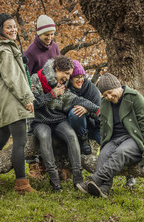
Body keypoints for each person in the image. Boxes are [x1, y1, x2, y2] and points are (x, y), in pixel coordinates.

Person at [76, 73, 144, 198]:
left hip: (133, 140)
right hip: (114, 139)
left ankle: (94, 180)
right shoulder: (105, 103)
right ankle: (103, 189)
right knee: (103, 155)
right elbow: (103, 126)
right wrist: (104, 142)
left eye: (110, 92)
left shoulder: (135, 98)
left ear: (118, 87)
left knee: (120, 152)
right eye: (105, 94)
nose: (108, 96)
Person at [0, 13, 36, 194]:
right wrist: (27, 99)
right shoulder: (5, 50)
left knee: (1, 138)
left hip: (1, 102)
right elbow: (13, 78)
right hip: (11, 102)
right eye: (8, 27)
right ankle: (22, 184)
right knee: (20, 142)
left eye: (14, 26)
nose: (13, 30)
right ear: (1, 30)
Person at [31, 55, 100, 191]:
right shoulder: (36, 79)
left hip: (58, 120)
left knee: (71, 135)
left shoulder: (63, 85)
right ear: (57, 69)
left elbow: (76, 99)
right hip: (39, 121)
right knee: (44, 136)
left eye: (69, 74)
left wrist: (97, 110)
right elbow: (34, 103)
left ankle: (78, 179)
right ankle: (54, 179)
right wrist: (52, 94)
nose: (68, 77)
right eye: (66, 73)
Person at [24, 15, 60, 178]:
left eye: (52, 34)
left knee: (50, 128)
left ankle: (46, 162)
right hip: (36, 95)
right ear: (39, 33)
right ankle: (33, 164)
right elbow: (25, 74)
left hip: (52, 95)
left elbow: (58, 67)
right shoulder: (30, 52)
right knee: (33, 129)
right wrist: (29, 88)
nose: (50, 37)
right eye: (47, 34)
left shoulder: (55, 47)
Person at [67, 60, 101, 155]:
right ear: (70, 78)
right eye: (76, 77)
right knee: (75, 112)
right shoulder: (66, 90)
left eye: (82, 77)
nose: (80, 80)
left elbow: (99, 112)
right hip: (76, 125)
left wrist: (87, 110)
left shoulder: (92, 89)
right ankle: (83, 140)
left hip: (94, 124)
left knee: (107, 143)